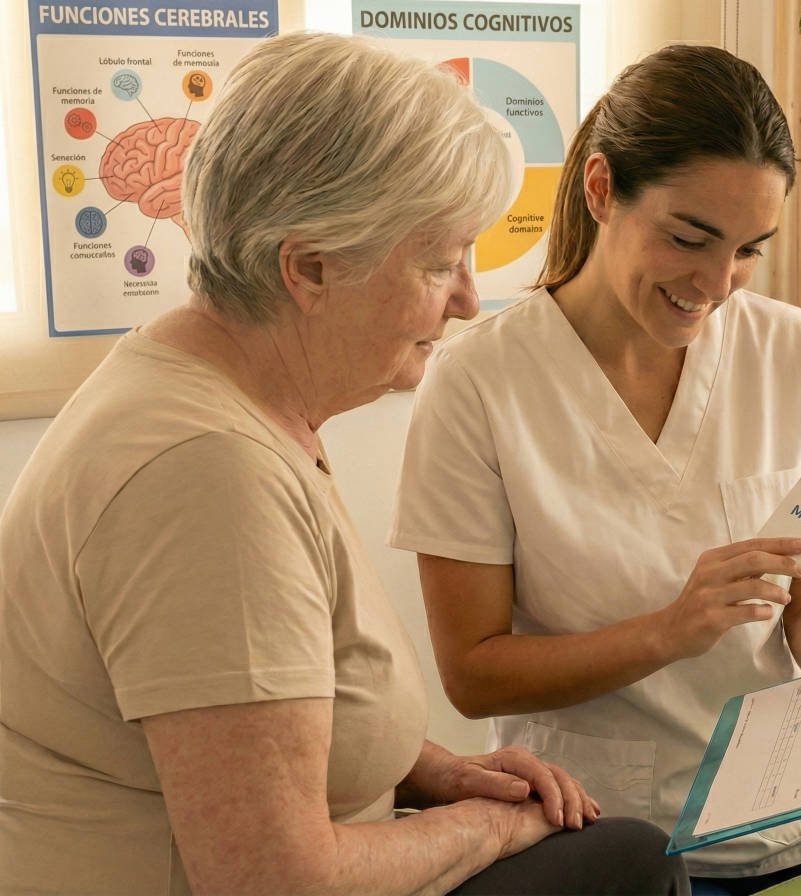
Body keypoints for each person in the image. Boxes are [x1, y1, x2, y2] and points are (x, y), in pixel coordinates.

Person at [0, 32, 688, 896]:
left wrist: (435, 770)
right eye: (439, 261)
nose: (470, 298)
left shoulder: (226, 390)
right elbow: (271, 879)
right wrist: (483, 826)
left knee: (621, 853)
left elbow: (253, 727)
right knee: (628, 865)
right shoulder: (207, 474)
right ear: (310, 267)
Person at [391, 43, 801, 895]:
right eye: (690, 238)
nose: (718, 283)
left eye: (750, 249)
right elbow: (472, 672)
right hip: (605, 827)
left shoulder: (792, 350)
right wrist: (668, 630)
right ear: (602, 189)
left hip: (798, 806)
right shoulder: (478, 383)